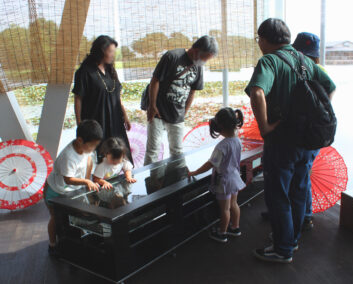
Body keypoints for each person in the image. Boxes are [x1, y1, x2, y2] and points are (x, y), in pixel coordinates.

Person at [246, 18, 336, 263]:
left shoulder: (270, 61)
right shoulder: (305, 60)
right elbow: (330, 87)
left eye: (259, 39)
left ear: (264, 39)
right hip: (307, 141)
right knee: (298, 191)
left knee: (277, 194)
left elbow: (257, 91)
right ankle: (292, 240)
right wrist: (313, 113)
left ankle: (282, 248)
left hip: (282, 140)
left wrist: (265, 127)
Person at [144, 35, 218, 165]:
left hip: (177, 112)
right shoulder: (172, 56)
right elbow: (155, 80)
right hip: (158, 110)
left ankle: (177, 181)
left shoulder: (198, 66)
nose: (204, 62)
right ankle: (151, 182)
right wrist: (152, 105)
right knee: (153, 149)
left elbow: (192, 91)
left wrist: (184, 112)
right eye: (205, 58)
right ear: (196, 51)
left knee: (177, 150)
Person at [44, 120, 103, 256]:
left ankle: (75, 240)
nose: (94, 149)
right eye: (92, 145)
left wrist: (87, 181)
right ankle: (52, 245)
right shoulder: (68, 156)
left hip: (72, 191)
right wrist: (86, 182)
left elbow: (88, 161)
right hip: (55, 191)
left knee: (73, 217)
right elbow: (68, 179)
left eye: (96, 145)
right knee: (55, 218)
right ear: (80, 140)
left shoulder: (86, 149)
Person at [73, 35, 133, 163]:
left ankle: (123, 178)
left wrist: (125, 116)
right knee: (100, 156)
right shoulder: (84, 72)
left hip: (115, 119)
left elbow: (118, 96)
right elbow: (78, 98)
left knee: (120, 153)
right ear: (101, 51)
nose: (113, 55)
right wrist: (80, 124)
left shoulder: (110, 70)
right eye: (111, 52)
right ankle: (100, 180)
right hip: (97, 121)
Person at [188, 108, 245, 243]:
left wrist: (195, 172)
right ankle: (235, 228)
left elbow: (210, 164)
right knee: (234, 204)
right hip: (235, 178)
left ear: (220, 126)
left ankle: (222, 233)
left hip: (223, 181)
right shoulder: (237, 140)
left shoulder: (221, 146)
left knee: (225, 209)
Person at [292, 32, 327, 231]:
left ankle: (304, 215)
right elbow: (330, 91)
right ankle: (306, 213)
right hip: (317, 131)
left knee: (301, 176)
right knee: (304, 172)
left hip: (308, 131)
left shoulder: (307, 70)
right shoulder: (319, 70)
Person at [93, 137, 136, 201]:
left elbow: (127, 169)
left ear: (123, 155)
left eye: (118, 159)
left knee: (127, 189)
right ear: (106, 154)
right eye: (113, 159)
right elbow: (96, 178)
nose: (116, 162)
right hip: (103, 188)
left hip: (115, 184)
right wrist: (104, 182)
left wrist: (128, 177)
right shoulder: (102, 165)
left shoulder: (123, 160)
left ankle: (120, 197)